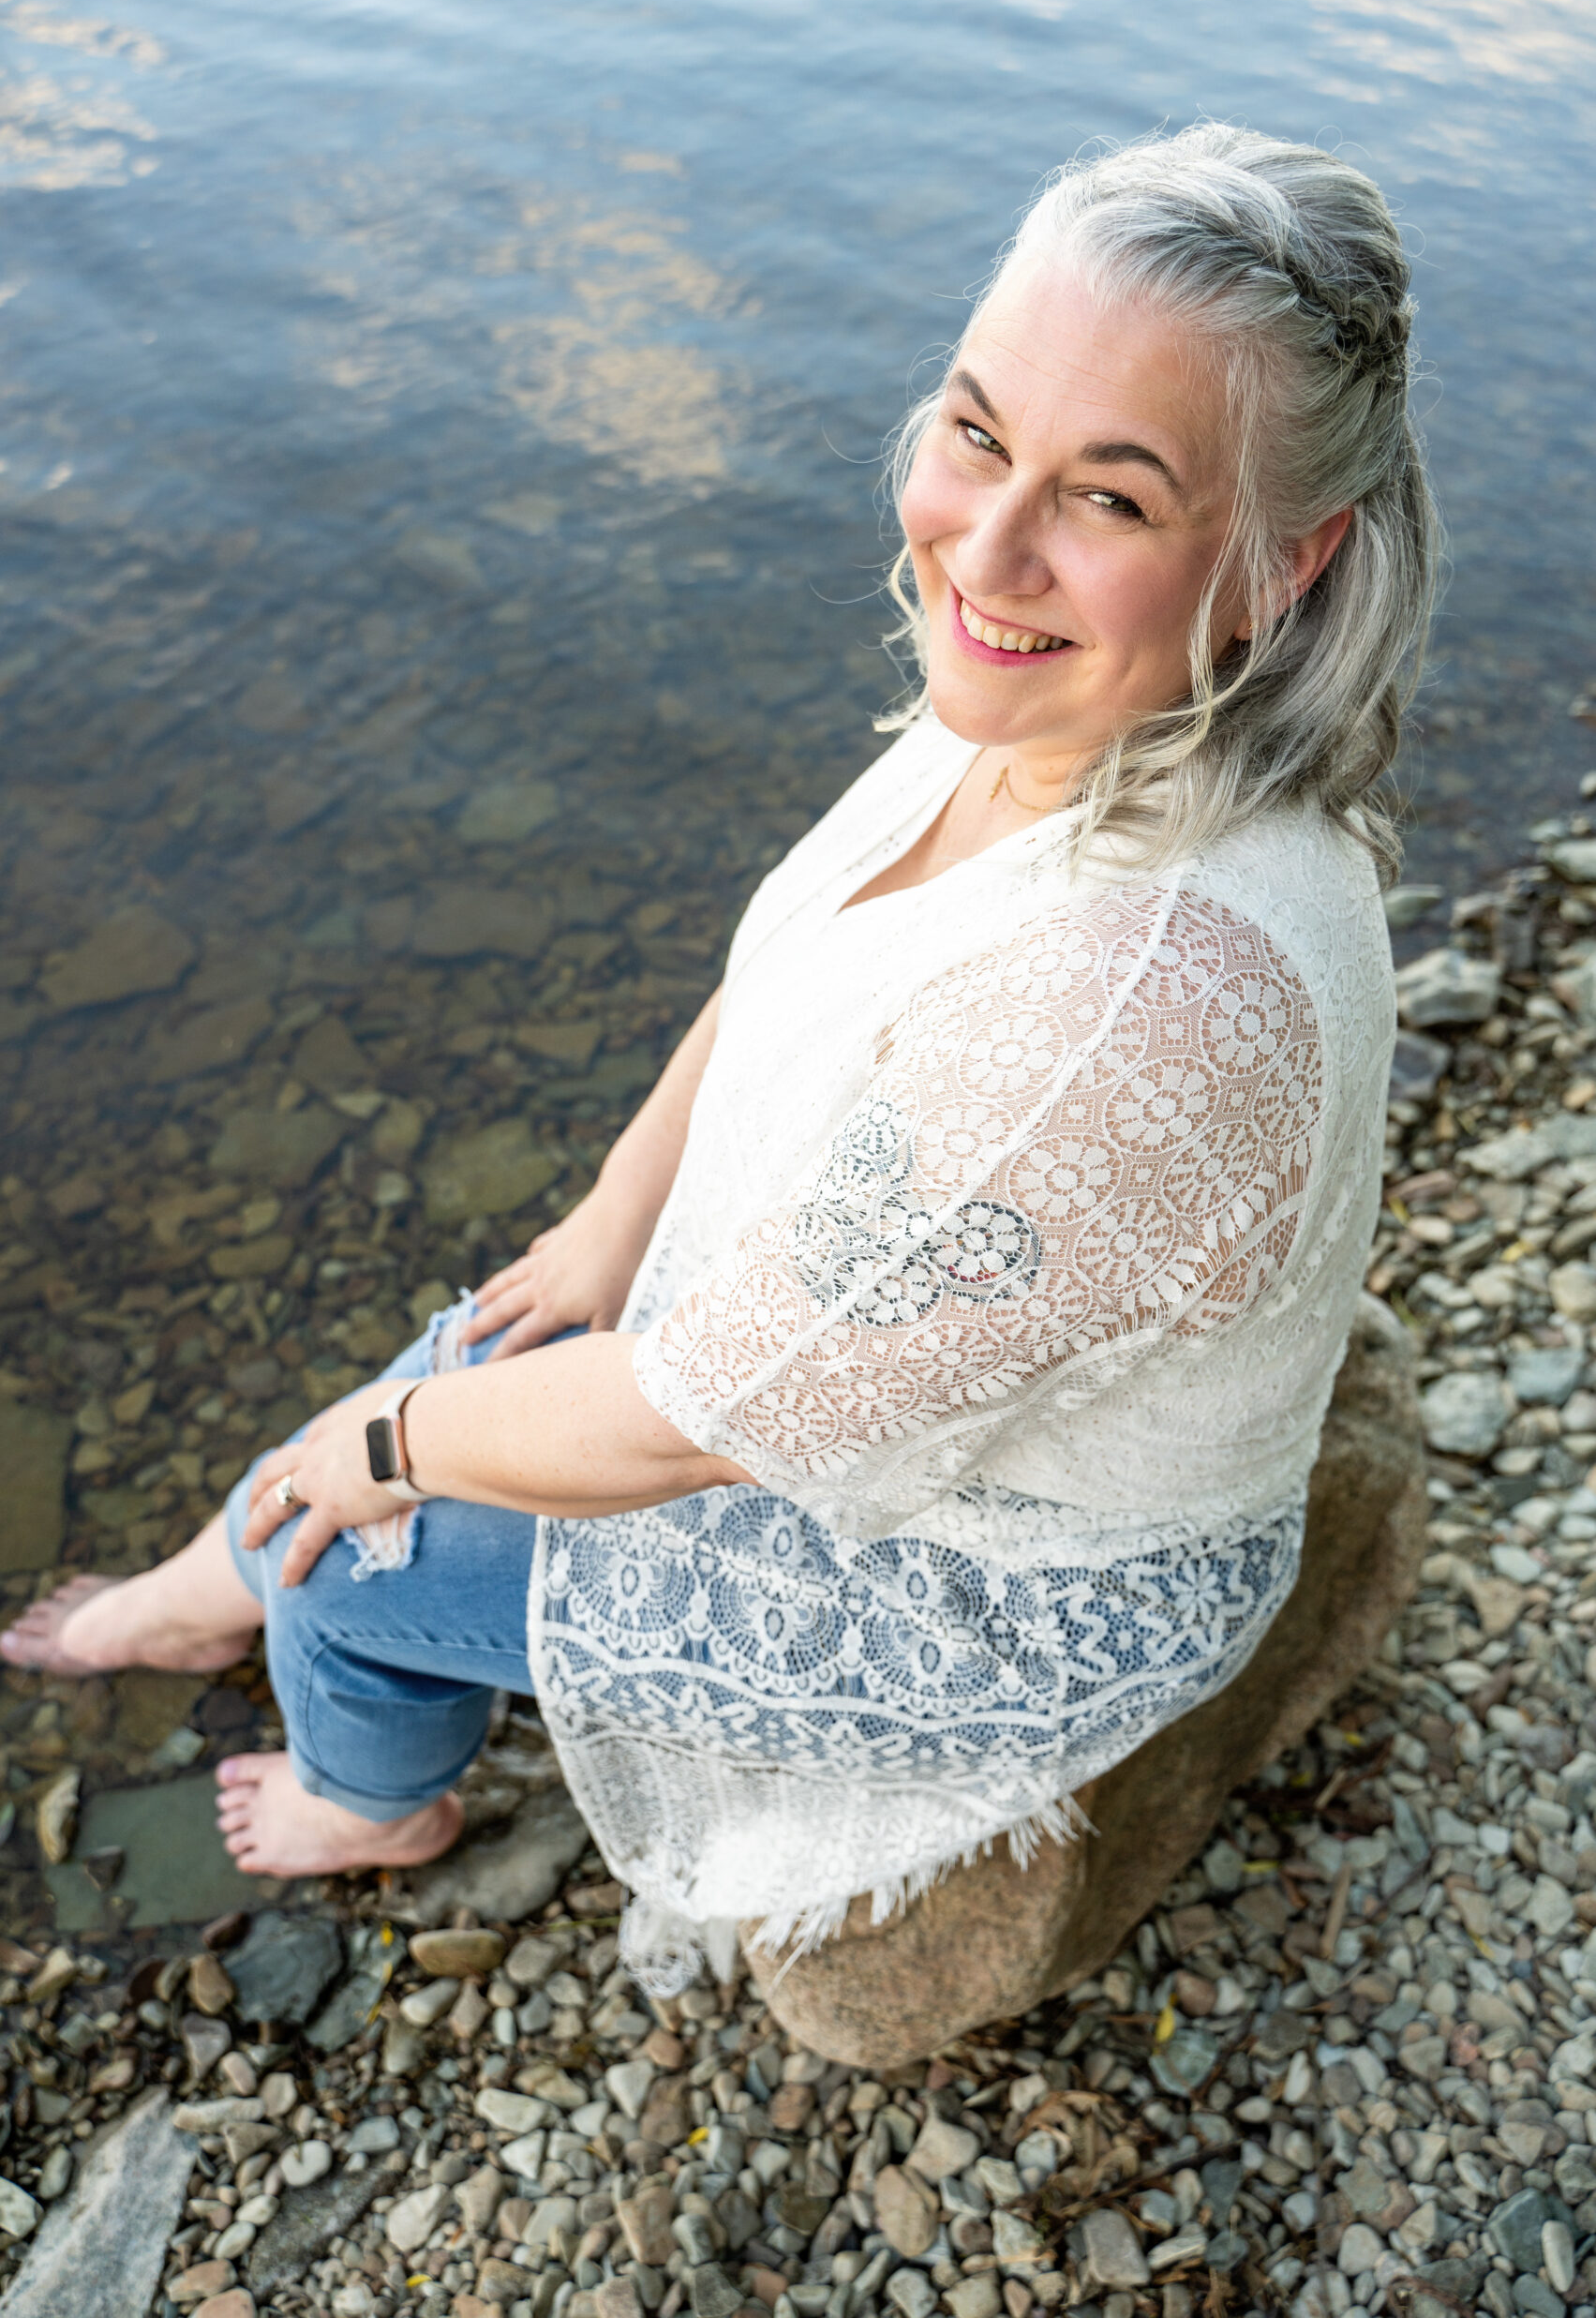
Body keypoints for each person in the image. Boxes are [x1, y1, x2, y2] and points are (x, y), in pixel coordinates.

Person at [2, 123, 1436, 1991]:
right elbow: (796, 957)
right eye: (980, 432)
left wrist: (388, 1441)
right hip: (882, 1370)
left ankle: (376, 1788)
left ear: (1283, 558)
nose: (981, 547)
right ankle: (233, 1566)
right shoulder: (1061, 704)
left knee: (366, 1530)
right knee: (498, 1345)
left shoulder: (1136, 1003)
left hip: (1012, 1590)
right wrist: (611, 1215)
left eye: (1115, 497)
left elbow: (692, 1417)